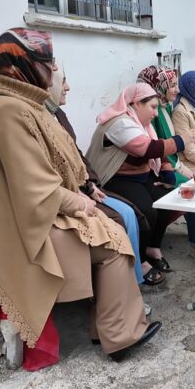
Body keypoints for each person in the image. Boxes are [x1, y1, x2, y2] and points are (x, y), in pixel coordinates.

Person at [0, 28, 160, 362]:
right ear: (25, 66)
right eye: (47, 64)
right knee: (112, 241)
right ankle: (118, 335)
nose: (52, 73)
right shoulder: (9, 112)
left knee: (112, 229)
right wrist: (81, 202)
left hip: (28, 215)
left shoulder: (20, 104)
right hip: (17, 230)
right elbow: (36, 189)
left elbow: (56, 170)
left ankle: (112, 330)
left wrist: (84, 193)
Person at [86, 83, 195, 285]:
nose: (155, 113)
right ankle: (142, 260)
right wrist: (182, 140)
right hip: (112, 179)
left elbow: (158, 150)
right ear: (136, 104)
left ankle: (153, 247)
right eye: (152, 107)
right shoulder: (120, 123)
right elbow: (148, 149)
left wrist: (166, 170)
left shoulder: (140, 123)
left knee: (167, 200)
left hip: (139, 177)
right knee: (147, 210)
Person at [46, 65, 145, 285]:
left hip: (83, 186)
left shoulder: (56, 114)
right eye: (62, 82)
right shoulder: (39, 120)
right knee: (123, 217)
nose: (68, 88)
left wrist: (90, 185)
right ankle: (125, 285)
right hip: (67, 195)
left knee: (130, 212)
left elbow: (75, 154)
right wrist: (83, 193)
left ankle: (133, 281)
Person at [137, 66, 195, 263]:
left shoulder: (165, 107)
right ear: (158, 87)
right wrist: (183, 170)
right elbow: (162, 149)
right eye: (172, 85)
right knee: (194, 188)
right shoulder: (155, 113)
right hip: (162, 167)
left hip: (170, 163)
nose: (177, 90)